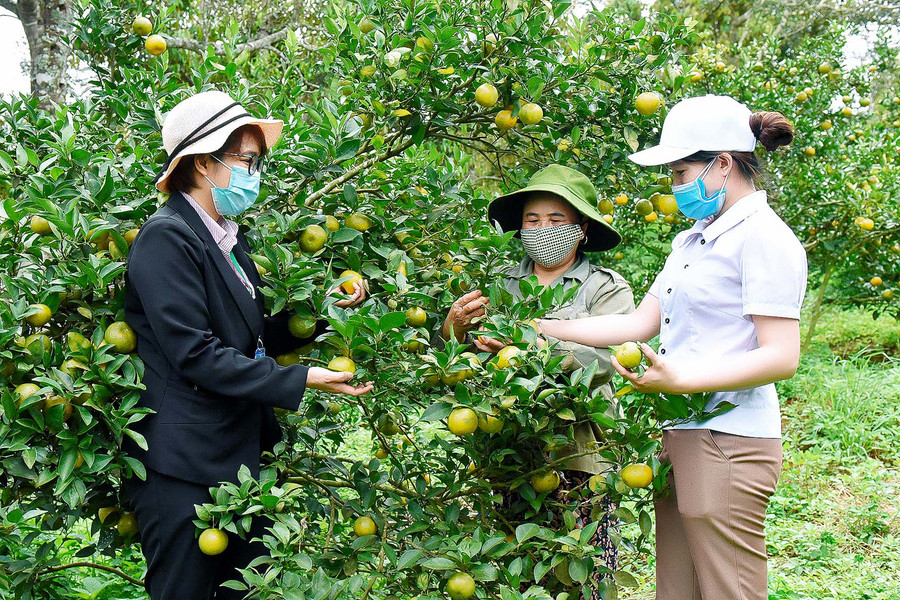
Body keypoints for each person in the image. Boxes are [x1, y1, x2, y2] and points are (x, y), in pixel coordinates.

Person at [538, 95, 808, 600]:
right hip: (680, 430)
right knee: (678, 590)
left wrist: (678, 378)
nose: (675, 187)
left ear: (723, 164)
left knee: (729, 589)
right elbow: (640, 323)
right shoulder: (692, 242)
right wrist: (545, 328)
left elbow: (781, 356)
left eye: (682, 173)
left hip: (730, 438)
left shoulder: (764, 238)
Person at [123, 90, 374, 600]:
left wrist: (324, 312)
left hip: (236, 465)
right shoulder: (166, 238)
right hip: (183, 468)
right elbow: (194, 353)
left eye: (257, 161)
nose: (253, 173)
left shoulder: (229, 240)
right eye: (245, 160)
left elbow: (250, 337)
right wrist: (300, 378)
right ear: (200, 162)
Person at [437, 165, 635, 592]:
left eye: (556, 220)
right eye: (532, 220)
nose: (542, 229)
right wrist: (454, 328)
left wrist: (523, 343)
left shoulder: (605, 288)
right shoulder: (500, 281)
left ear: (581, 229)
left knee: (580, 569)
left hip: (577, 452)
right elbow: (458, 361)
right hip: (504, 447)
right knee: (508, 564)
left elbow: (604, 359)